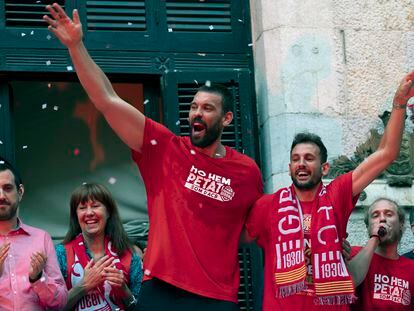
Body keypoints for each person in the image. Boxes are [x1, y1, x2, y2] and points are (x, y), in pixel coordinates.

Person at [43, 4, 263, 311]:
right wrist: (76, 46)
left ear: (226, 119)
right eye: (194, 107)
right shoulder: (165, 148)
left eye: (207, 109)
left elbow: (251, 230)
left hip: (217, 295)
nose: (196, 113)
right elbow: (107, 100)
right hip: (162, 288)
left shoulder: (246, 170)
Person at [245, 70, 414, 311]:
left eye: (309, 158)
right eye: (296, 159)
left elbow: (386, 154)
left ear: (324, 168)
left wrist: (398, 104)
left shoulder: (336, 195)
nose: (301, 163)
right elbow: (230, 237)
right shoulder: (268, 205)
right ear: (289, 167)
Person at [55, 182, 143, 311]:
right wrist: (83, 286)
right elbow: (52, 308)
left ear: (108, 212)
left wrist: (123, 290)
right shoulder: (61, 254)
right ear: (76, 215)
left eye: (95, 206)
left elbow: (140, 307)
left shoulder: (129, 256)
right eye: (82, 208)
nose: (89, 213)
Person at [0, 157, 67, 310]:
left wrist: (38, 279)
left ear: (20, 191)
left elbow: (61, 303)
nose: (1, 196)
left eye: (7, 188)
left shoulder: (41, 238)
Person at [349, 198, 414, 310]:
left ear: (401, 224)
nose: (382, 219)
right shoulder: (353, 254)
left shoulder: (411, 268)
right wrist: (375, 238)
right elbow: (347, 283)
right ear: (368, 227)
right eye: (375, 215)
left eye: (389, 214)